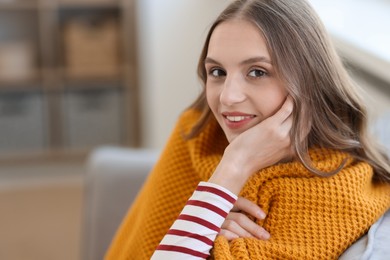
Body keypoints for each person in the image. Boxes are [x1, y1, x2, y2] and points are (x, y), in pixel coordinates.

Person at [106, 0, 390, 259]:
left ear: (308, 81)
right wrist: (221, 192)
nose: (228, 97)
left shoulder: (335, 192)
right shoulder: (198, 131)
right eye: (217, 72)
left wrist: (235, 165)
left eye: (257, 72)